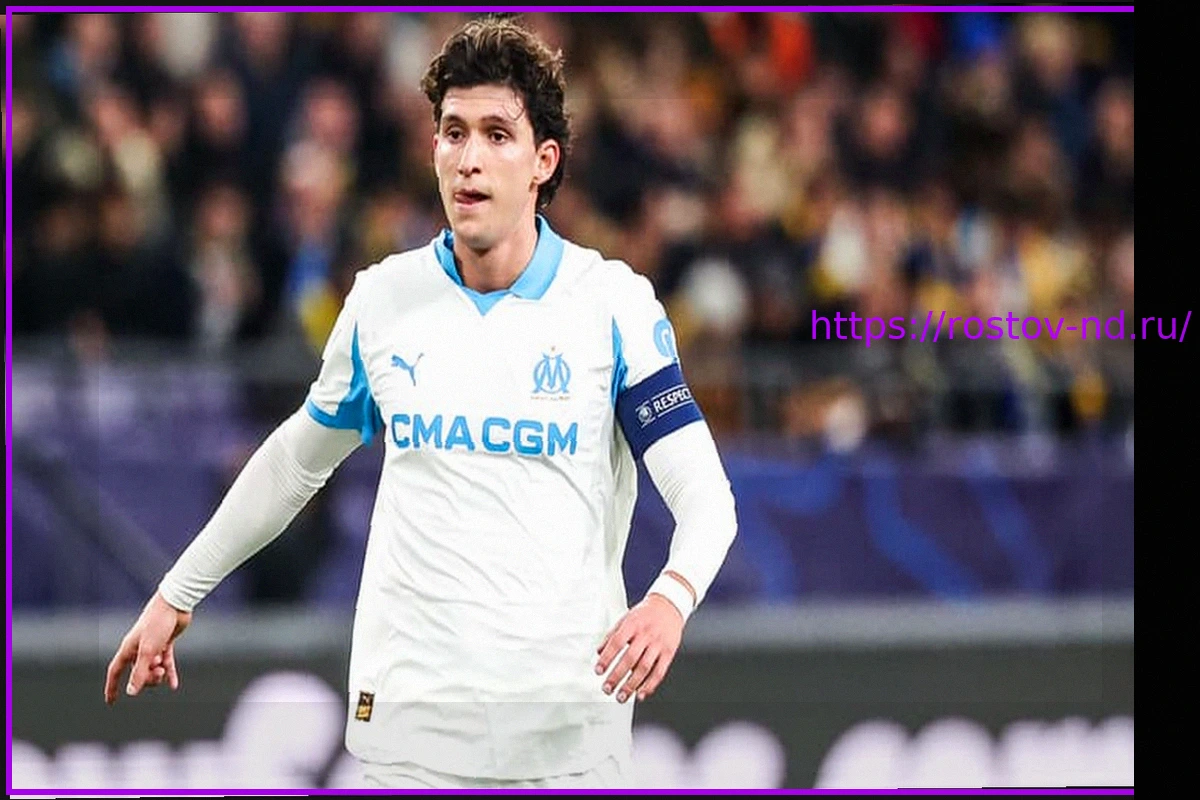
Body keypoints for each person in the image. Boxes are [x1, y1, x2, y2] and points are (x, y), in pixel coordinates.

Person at [104, 16, 738, 789]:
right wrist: (179, 590)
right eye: (454, 132)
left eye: (497, 135)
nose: (470, 159)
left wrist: (670, 599)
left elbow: (705, 496)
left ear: (544, 161)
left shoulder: (611, 307)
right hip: (411, 737)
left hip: (567, 738)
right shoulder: (384, 300)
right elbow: (296, 462)